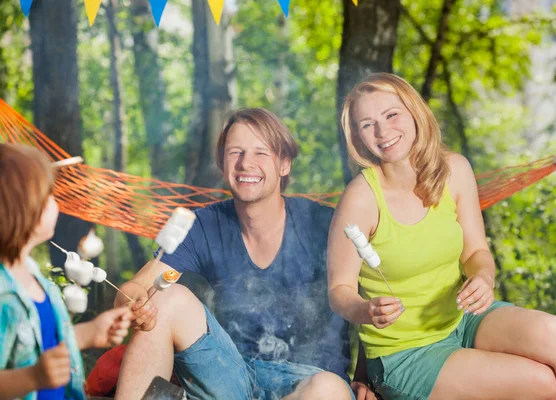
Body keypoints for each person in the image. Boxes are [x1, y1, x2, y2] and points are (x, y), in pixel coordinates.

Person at [327, 72, 556, 400]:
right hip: (406, 352)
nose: (383, 131)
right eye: (367, 124)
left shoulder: (454, 170)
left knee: (552, 331)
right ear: (357, 137)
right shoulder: (360, 198)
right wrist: (365, 310)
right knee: (542, 383)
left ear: (415, 112)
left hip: (465, 317)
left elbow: (475, 252)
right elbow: (339, 290)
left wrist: (483, 277)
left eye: (391, 114)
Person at [114, 108, 373, 400]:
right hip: (232, 375)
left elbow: (369, 298)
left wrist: (367, 378)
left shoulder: (326, 225)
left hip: (312, 384)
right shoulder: (201, 224)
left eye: (261, 153)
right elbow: (137, 286)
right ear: (222, 164)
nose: (246, 163)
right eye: (235, 152)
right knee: (163, 297)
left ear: (284, 164)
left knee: (327, 390)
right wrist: (135, 303)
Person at [0, 143, 132, 400]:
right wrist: (31, 378)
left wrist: (90, 333)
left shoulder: (32, 274)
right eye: (48, 195)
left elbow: (42, 341)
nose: (56, 202)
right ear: (22, 208)